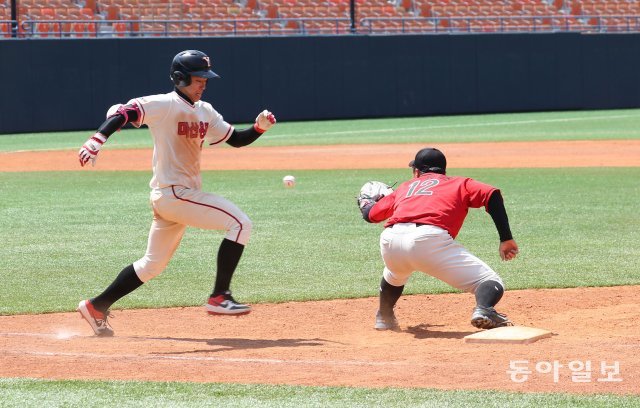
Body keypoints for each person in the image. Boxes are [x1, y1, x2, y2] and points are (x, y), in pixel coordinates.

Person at [76, 49, 276, 337]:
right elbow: (124, 112)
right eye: (198, 78)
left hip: (175, 197)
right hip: (174, 193)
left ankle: (96, 306)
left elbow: (237, 140)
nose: (204, 83)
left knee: (151, 265)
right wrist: (97, 139)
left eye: (206, 77)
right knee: (241, 223)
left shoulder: (205, 111)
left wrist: (258, 128)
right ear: (180, 78)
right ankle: (220, 296)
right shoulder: (165, 104)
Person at [359, 147, 519, 331]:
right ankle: (484, 309)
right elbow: (492, 195)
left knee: (395, 274)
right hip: (428, 239)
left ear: (417, 171)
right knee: (490, 281)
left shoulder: (405, 187)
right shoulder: (459, 183)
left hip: (390, 240)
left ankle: (384, 317)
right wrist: (506, 238)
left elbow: (370, 215)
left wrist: (366, 203)